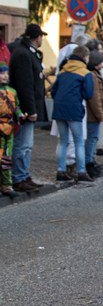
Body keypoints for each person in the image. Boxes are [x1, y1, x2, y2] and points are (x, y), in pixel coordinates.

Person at [8, 23, 46, 192]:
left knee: (27, 144)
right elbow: (25, 85)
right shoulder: (23, 54)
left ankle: (24, 175)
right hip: (24, 108)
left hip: (29, 107)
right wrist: (30, 110)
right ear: (37, 37)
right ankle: (18, 177)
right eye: (41, 36)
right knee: (22, 144)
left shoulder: (29, 53)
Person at [51, 46, 95, 183]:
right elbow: (89, 94)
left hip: (59, 109)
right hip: (74, 109)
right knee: (79, 142)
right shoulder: (85, 73)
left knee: (63, 141)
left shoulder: (63, 71)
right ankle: (81, 172)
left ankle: (61, 171)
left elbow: (53, 91)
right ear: (85, 57)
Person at [0, 65, 24, 198]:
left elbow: (17, 107)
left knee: (7, 159)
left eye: (7, 73)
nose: (5, 76)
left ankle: (6, 185)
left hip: (8, 129)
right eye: (2, 73)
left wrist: (20, 115)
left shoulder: (12, 91)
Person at [85, 50, 103, 178]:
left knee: (93, 138)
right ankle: (89, 161)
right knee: (92, 138)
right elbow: (95, 98)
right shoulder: (93, 76)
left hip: (93, 114)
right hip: (92, 115)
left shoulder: (95, 74)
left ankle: (90, 160)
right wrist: (101, 114)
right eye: (101, 61)